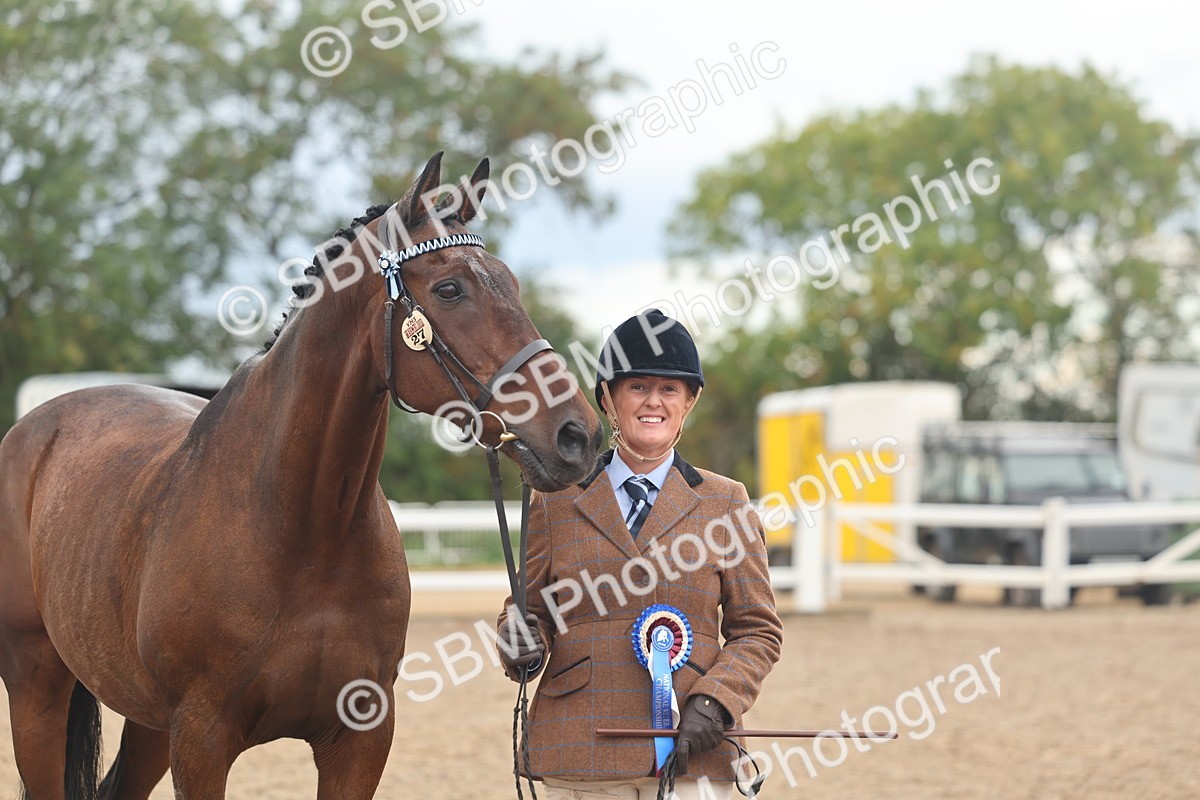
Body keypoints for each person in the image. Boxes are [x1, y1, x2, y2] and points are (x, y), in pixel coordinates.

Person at [496, 309, 783, 800]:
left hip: (692, 747)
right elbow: (530, 610)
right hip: (582, 743)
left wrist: (715, 701)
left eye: (669, 388)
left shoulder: (726, 502)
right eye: (637, 387)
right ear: (608, 398)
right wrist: (520, 638)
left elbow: (757, 630)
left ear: (689, 401)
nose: (654, 401)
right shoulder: (555, 499)